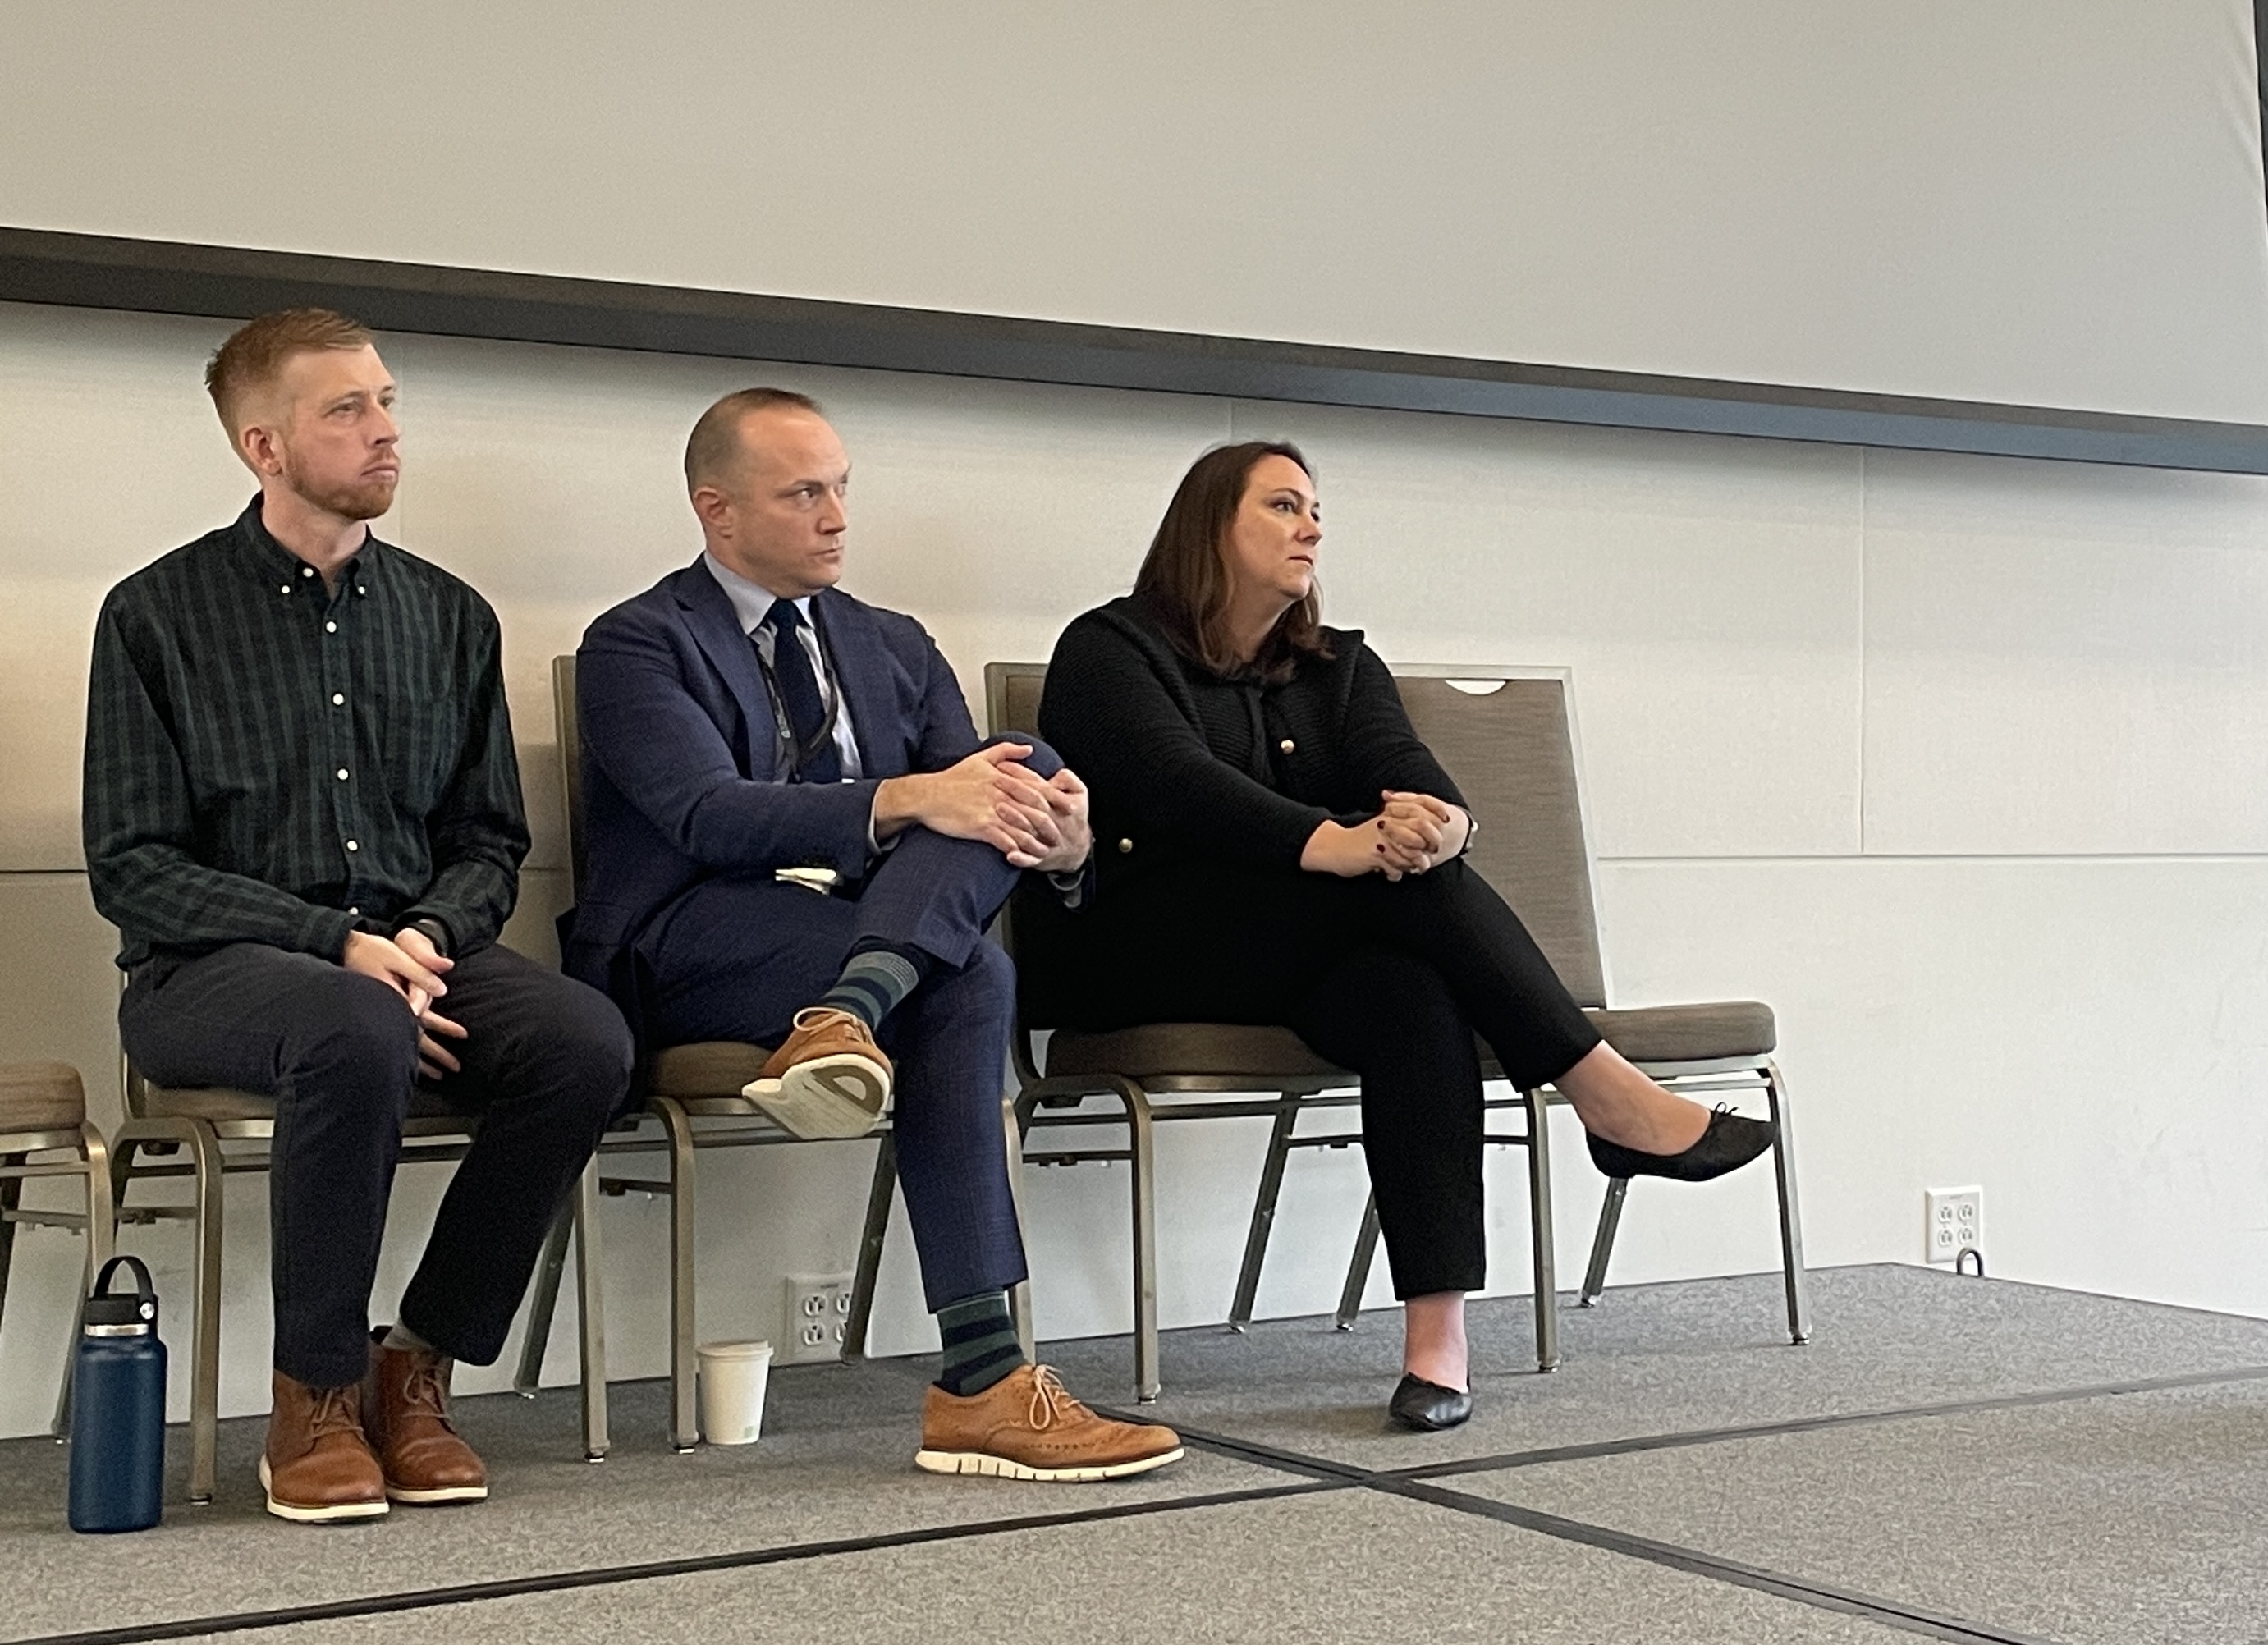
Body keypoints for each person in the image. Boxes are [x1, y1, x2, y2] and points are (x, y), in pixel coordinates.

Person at [1011, 441, 1774, 1433]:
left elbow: (1404, 767)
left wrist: (1443, 824)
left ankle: (1436, 1345)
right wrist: (1336, 841)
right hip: (1139, 952)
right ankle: (1602, 1090)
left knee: (1412, 991)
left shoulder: (1337, 664)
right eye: (1284, 505)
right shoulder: (1109, 647)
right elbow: (1176, 788)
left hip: (1302, 951)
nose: (1312, 527)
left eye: (1315, 508)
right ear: (1211, 526)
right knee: (1387, 888)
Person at [566, 387, 1180, 1483]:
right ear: (717, 511)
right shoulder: (635, 643)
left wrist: (1066, 846)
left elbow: (982, 815)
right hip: (691, 939)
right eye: (803, 493)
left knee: (1019, 769)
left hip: (855, 931)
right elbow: (705, 816)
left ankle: (847, 1015)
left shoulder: (890, 643)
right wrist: (901, 800)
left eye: (841, 486)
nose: (836, 514)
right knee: (967, 962)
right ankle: (985, 1376)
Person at [86, 309, 635, 1524]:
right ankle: (314, 1392)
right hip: (209, 979)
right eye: (349, 410)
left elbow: (489, 841)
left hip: (412, 957)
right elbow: (133, 868)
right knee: (350, 1021)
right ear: (263, 446)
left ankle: (417, 1360)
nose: (385, 432)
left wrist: (427, 945)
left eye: (388, 402)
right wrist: (339, 946)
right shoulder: (153, 615)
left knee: (584, 1040)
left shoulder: (449, 617)